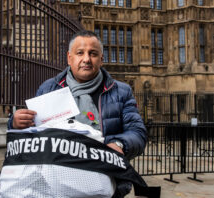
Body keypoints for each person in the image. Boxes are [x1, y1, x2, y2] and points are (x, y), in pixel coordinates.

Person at [8, 30, 147, 160]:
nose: (86, 59)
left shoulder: (121, 92)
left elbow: (138, 133)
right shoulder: (48, 88)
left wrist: (120, 144)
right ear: (69, 58)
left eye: (93, 53)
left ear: (101, 59)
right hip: (57, 174)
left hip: (107, 173)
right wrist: (14, 123)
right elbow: (31, 132)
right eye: (80, 53)